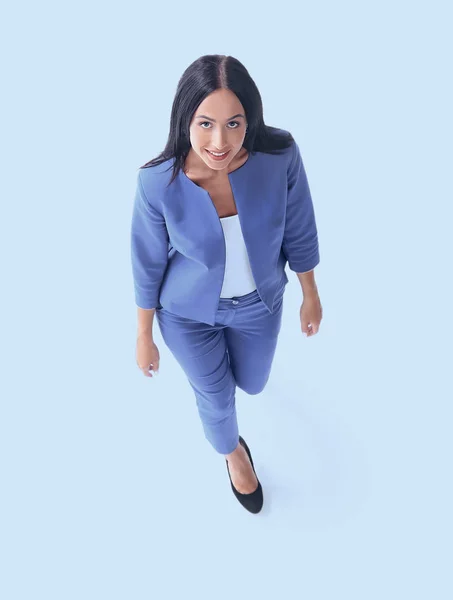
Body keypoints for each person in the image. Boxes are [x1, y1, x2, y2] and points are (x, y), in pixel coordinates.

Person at [130, 54, 323, 514]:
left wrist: (310, 294)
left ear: (250, 119)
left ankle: (231, 398)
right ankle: (234, 454)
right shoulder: (158, 182)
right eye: (205, 124)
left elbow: (300, 227)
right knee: (217, 400)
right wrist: (143, 335)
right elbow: (146, 260)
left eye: (234, 124)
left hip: (261, 304)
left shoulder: (279, 157)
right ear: (185, 120)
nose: (220, 141)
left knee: (253, 384)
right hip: (188, 315)